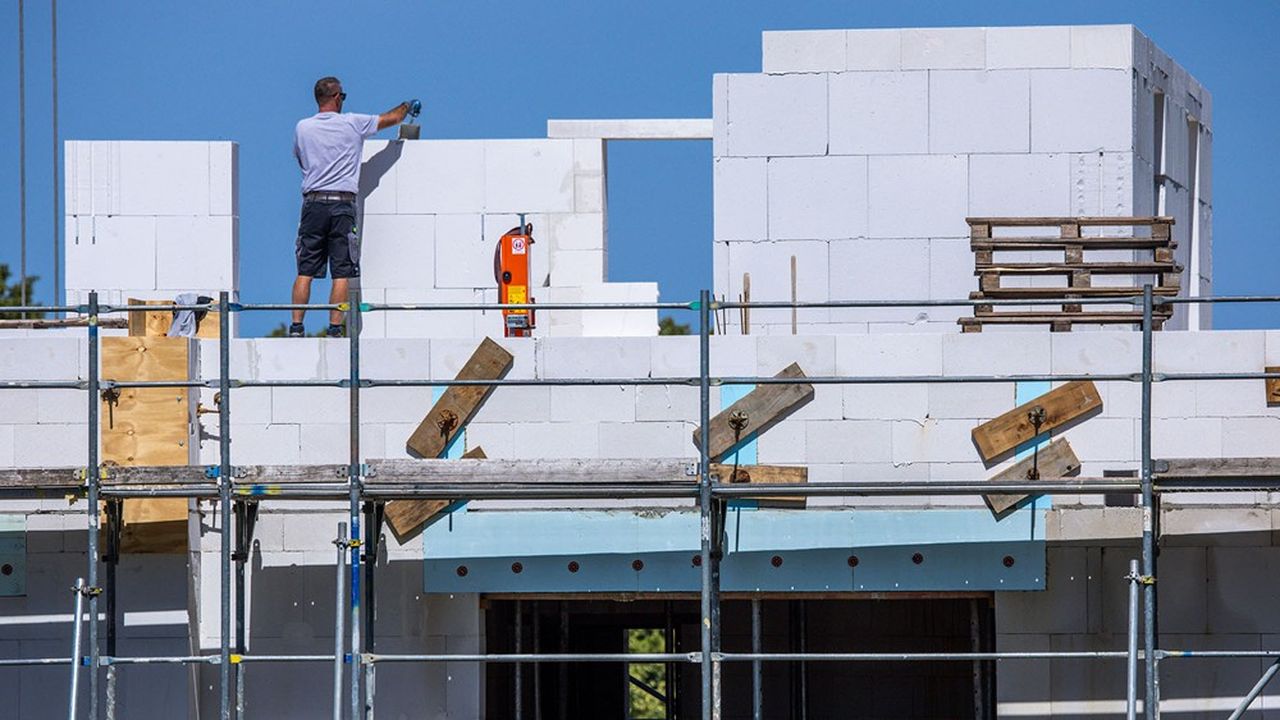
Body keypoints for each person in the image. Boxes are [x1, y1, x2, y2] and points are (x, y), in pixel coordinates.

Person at [289, 76, 419, 337]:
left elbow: (299, 157)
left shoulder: (303, 128)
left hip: (313, 203)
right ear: (337, 97)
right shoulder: (352, 124)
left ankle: (296, 327)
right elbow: (390, 119)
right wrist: (407, 106)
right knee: (342, 271)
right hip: (342, 205)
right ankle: (335, 328)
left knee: (305, 270)